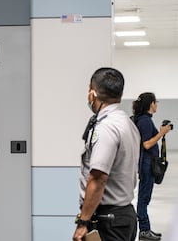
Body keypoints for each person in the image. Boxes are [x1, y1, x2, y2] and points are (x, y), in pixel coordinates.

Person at [73, 67, 141, 241]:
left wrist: (83, 222)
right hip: (123, 216)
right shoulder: (127, 123)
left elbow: (98, 178)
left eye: (89, 89)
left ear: (93, 94)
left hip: (108, 220)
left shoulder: (106, 128)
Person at [132, 92, 172, 240]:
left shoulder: (145, 120)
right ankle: (143, 231)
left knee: (145, 197)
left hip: (147, 163)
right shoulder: (145, 121)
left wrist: (161, 132)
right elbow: (147, 144)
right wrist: (161, 133)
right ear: (151, 104)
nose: (157, 105)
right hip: (147, 164)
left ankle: (146, 228)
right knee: (143, 198)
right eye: (156, 102)